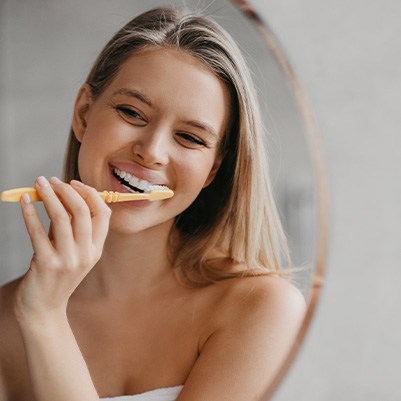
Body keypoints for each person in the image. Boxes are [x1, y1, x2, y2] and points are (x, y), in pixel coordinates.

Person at [0, 7, 306, 401]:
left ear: (213, 169)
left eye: (190, 138)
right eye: (131, 112)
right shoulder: (6, 319)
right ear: (83, 114)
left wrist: (45, 319)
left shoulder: (261, 309)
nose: (152, 151)